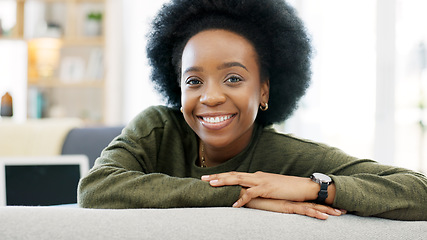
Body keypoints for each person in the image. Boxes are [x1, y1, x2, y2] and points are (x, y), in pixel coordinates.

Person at [78, 0, 427, 220]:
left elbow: (418, 190)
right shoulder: (157, 128)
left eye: (232, 78)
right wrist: (246, 196)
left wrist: (313, 188)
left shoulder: (288, 155)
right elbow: (96, 188)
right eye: (194, 81)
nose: (210, 97)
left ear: (263, 90)